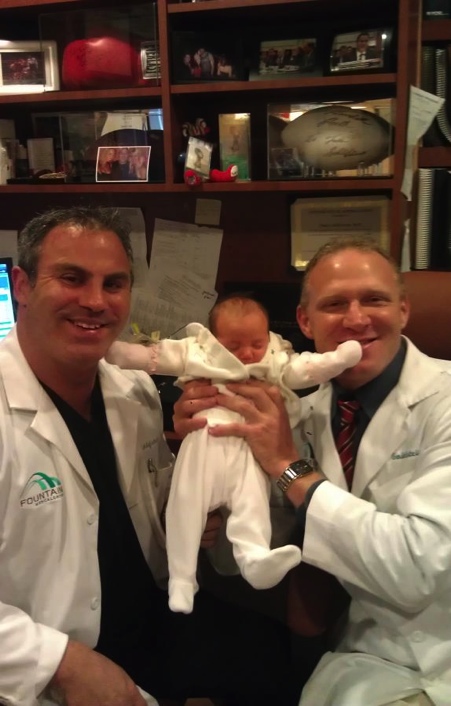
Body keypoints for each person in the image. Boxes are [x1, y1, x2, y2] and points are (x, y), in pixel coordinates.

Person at [0, 206, 311, 706]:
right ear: (22, 284)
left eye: (114, 284)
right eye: (72, 278)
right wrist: (60, 662)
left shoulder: (135, 391)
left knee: (276, 658)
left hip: (155, 619)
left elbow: (142, 506)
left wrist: (195, 470)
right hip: (51, 658)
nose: (95, 301)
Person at [173, 235, 451, 706]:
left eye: (375, 300)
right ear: (305, 321)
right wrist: (212, 498)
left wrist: (288, 468)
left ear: (404, 310)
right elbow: (249, 553)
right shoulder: (300, 414)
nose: (357, 318)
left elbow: (419, 566)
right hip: (362, 654)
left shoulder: (443, 400)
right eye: (335, 303)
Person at [105, 296, 361, 614]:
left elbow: (306, 368)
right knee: (186, 507)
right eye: (234, 344)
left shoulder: (274, 361)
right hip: (204, 443)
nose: (248, 353)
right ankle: (181, 580)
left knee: (251, 501)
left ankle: (255, 558)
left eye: (257, 342)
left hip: (246, 451)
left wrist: (337, 360)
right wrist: (119, 352)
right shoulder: (199, 351)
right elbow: (156, 357)